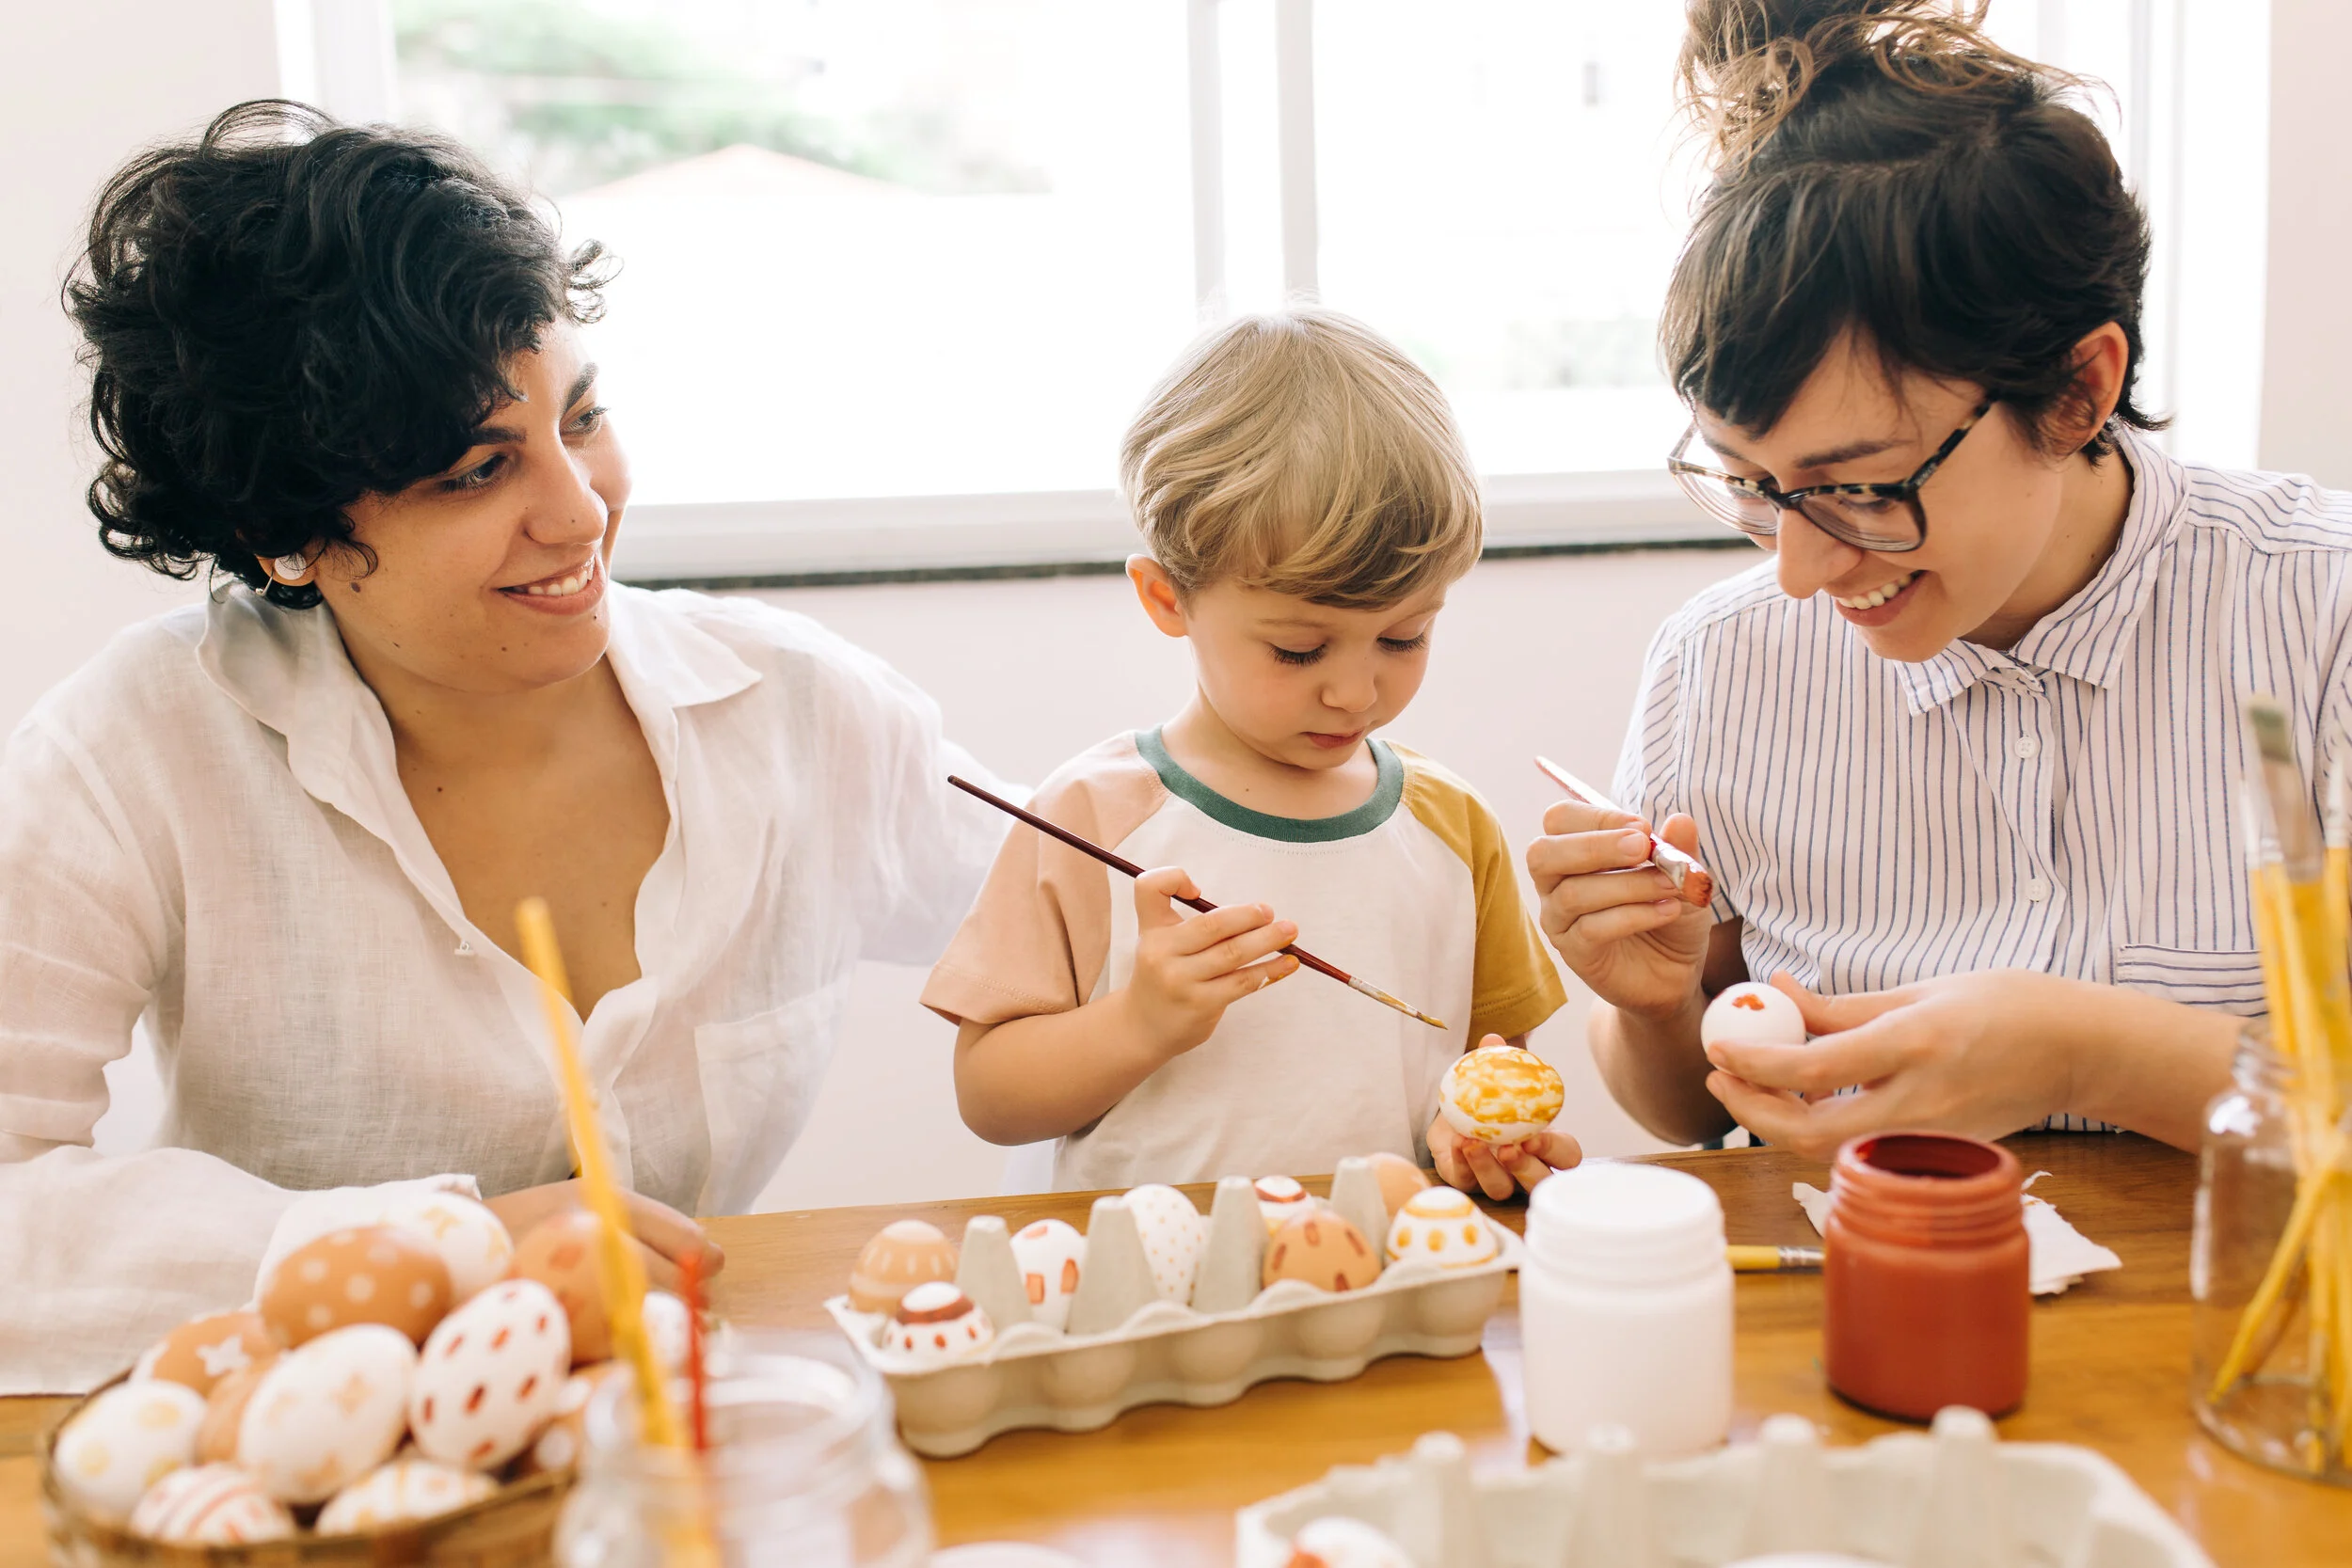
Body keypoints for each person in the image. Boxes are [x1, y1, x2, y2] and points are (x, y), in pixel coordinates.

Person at [0, 102, 1006, 1393]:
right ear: (287, 532)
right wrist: (433, 1242)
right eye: (480, 468)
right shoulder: (127, 754)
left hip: (674, 1451)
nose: (580, 509)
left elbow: (1092, 899)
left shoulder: (793, 706)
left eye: (579, 418)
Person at [1531, 0, 2351, 1160]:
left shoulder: (2323, 619)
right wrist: (1654, 1002)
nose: (1804, 570)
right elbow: (1691, 1112)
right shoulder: (1719, 658)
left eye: (1862, 488)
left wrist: (2084, 1053)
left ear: (2078, 391)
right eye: (1752, 485)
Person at [925, 309, 1573, 1196]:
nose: (1354, 692)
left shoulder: (1449, 823)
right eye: (1299, 650)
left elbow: (1488, 1070)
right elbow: (990, 1099)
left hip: (1392, 1280)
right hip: (1162, 1297)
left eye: (1404, 637)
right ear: (1166, 597)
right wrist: (1140, 1022)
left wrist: (1482, 1139)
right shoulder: (1091, 815)